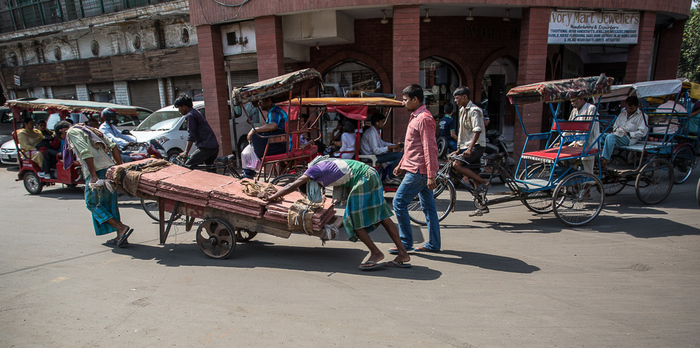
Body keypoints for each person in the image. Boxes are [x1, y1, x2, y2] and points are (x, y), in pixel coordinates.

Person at [265, 157, 411, 269]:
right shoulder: (321, 163)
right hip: (370, 173)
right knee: (383, 216)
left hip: (363, 179)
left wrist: (272, 197)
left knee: (353, 219)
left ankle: (376, 253)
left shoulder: (312, 172)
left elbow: (291, 185)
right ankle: (403, 253)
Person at [389, 84, 441, 253]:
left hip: (419, 171)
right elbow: (412, 146)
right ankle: (433, 244)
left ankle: (405, 243)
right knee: (428, 208)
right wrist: (400, 164)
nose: (403, 103)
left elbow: (429, 148)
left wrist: (431, 175)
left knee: (398, 202)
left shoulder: (424, 118)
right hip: (416, 169)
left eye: (405, 100)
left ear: (415, 99)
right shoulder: (416, 117)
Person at [63, 121, 133, 247]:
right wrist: (118, 167)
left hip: (97, 170)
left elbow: (85, 152)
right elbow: (113, 146)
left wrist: (93, 175)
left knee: (92, 203)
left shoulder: (72, 132)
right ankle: (120, 235)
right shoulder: (89, 129)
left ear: (62, 131)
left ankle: (121, 227)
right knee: (109, 203)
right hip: (109, 168)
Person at [452, 86, 490, 194]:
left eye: (457, 98)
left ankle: (485, 182)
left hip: (476, 146)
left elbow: (477, 130)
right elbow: (462, 132)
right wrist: (459, 149)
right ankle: (480, 203)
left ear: (465, 97)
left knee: (457, 165)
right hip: (467, 145)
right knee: (474, 173)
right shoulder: (461, 110)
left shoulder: (474, 110)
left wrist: (469, 148)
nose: (455, 100)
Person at [245, 96, 288, 177]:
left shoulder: (274, 111)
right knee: (250, 148)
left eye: (261, 101)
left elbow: (272, 126)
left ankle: (248, 174)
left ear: (269, 100)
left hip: (281, 144)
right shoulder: (275, 110)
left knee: (251, 147)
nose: (259, 104)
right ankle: (249, 173)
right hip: (283, 142)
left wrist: (254, 130)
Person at [175, 95, 220, 172]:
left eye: (179, 108)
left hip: (206, 147)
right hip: (213, 146)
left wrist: (186, 152)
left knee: (188, 167)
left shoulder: (190, 116)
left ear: (184, 106)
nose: (179, 111)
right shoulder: (196, 112)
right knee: (211, 171)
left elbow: (191, 136)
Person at [601, 96, 648, 167]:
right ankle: (598, 157)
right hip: (618, 134)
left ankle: (606, 160)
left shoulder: (642, 116)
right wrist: (617, 130)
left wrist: (629, 134)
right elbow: (615, 125)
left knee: (610, 137)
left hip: (629, 138)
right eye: (627, 108)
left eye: (631, 108)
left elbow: (643, 132)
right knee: (600, 136)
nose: (629, 110)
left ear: (637, 106)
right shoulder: (623, 113)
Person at [360, 112, 403, 185]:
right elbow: (376, 150)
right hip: (371, 157)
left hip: (374, 155)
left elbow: (382, 143)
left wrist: (394, 145)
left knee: (398, 155)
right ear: (377, 123)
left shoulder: (374, 131)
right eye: (382, 122)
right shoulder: (371, 132)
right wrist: (389, 147)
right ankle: (390, 177)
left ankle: (389, 175)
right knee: (398, 155)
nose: (383, 124)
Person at [566, 98, 599, 173]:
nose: (572, 103)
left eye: (574, 100)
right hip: (576, 141)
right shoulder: (574, 110)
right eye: (571, 102)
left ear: (581, 99)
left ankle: (588, 183)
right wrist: (562, 140)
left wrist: (580, 143)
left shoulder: (591, 108)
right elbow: (568, 127)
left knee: (587, 167)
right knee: (565, 157)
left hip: (589, 142)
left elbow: (590, 127)